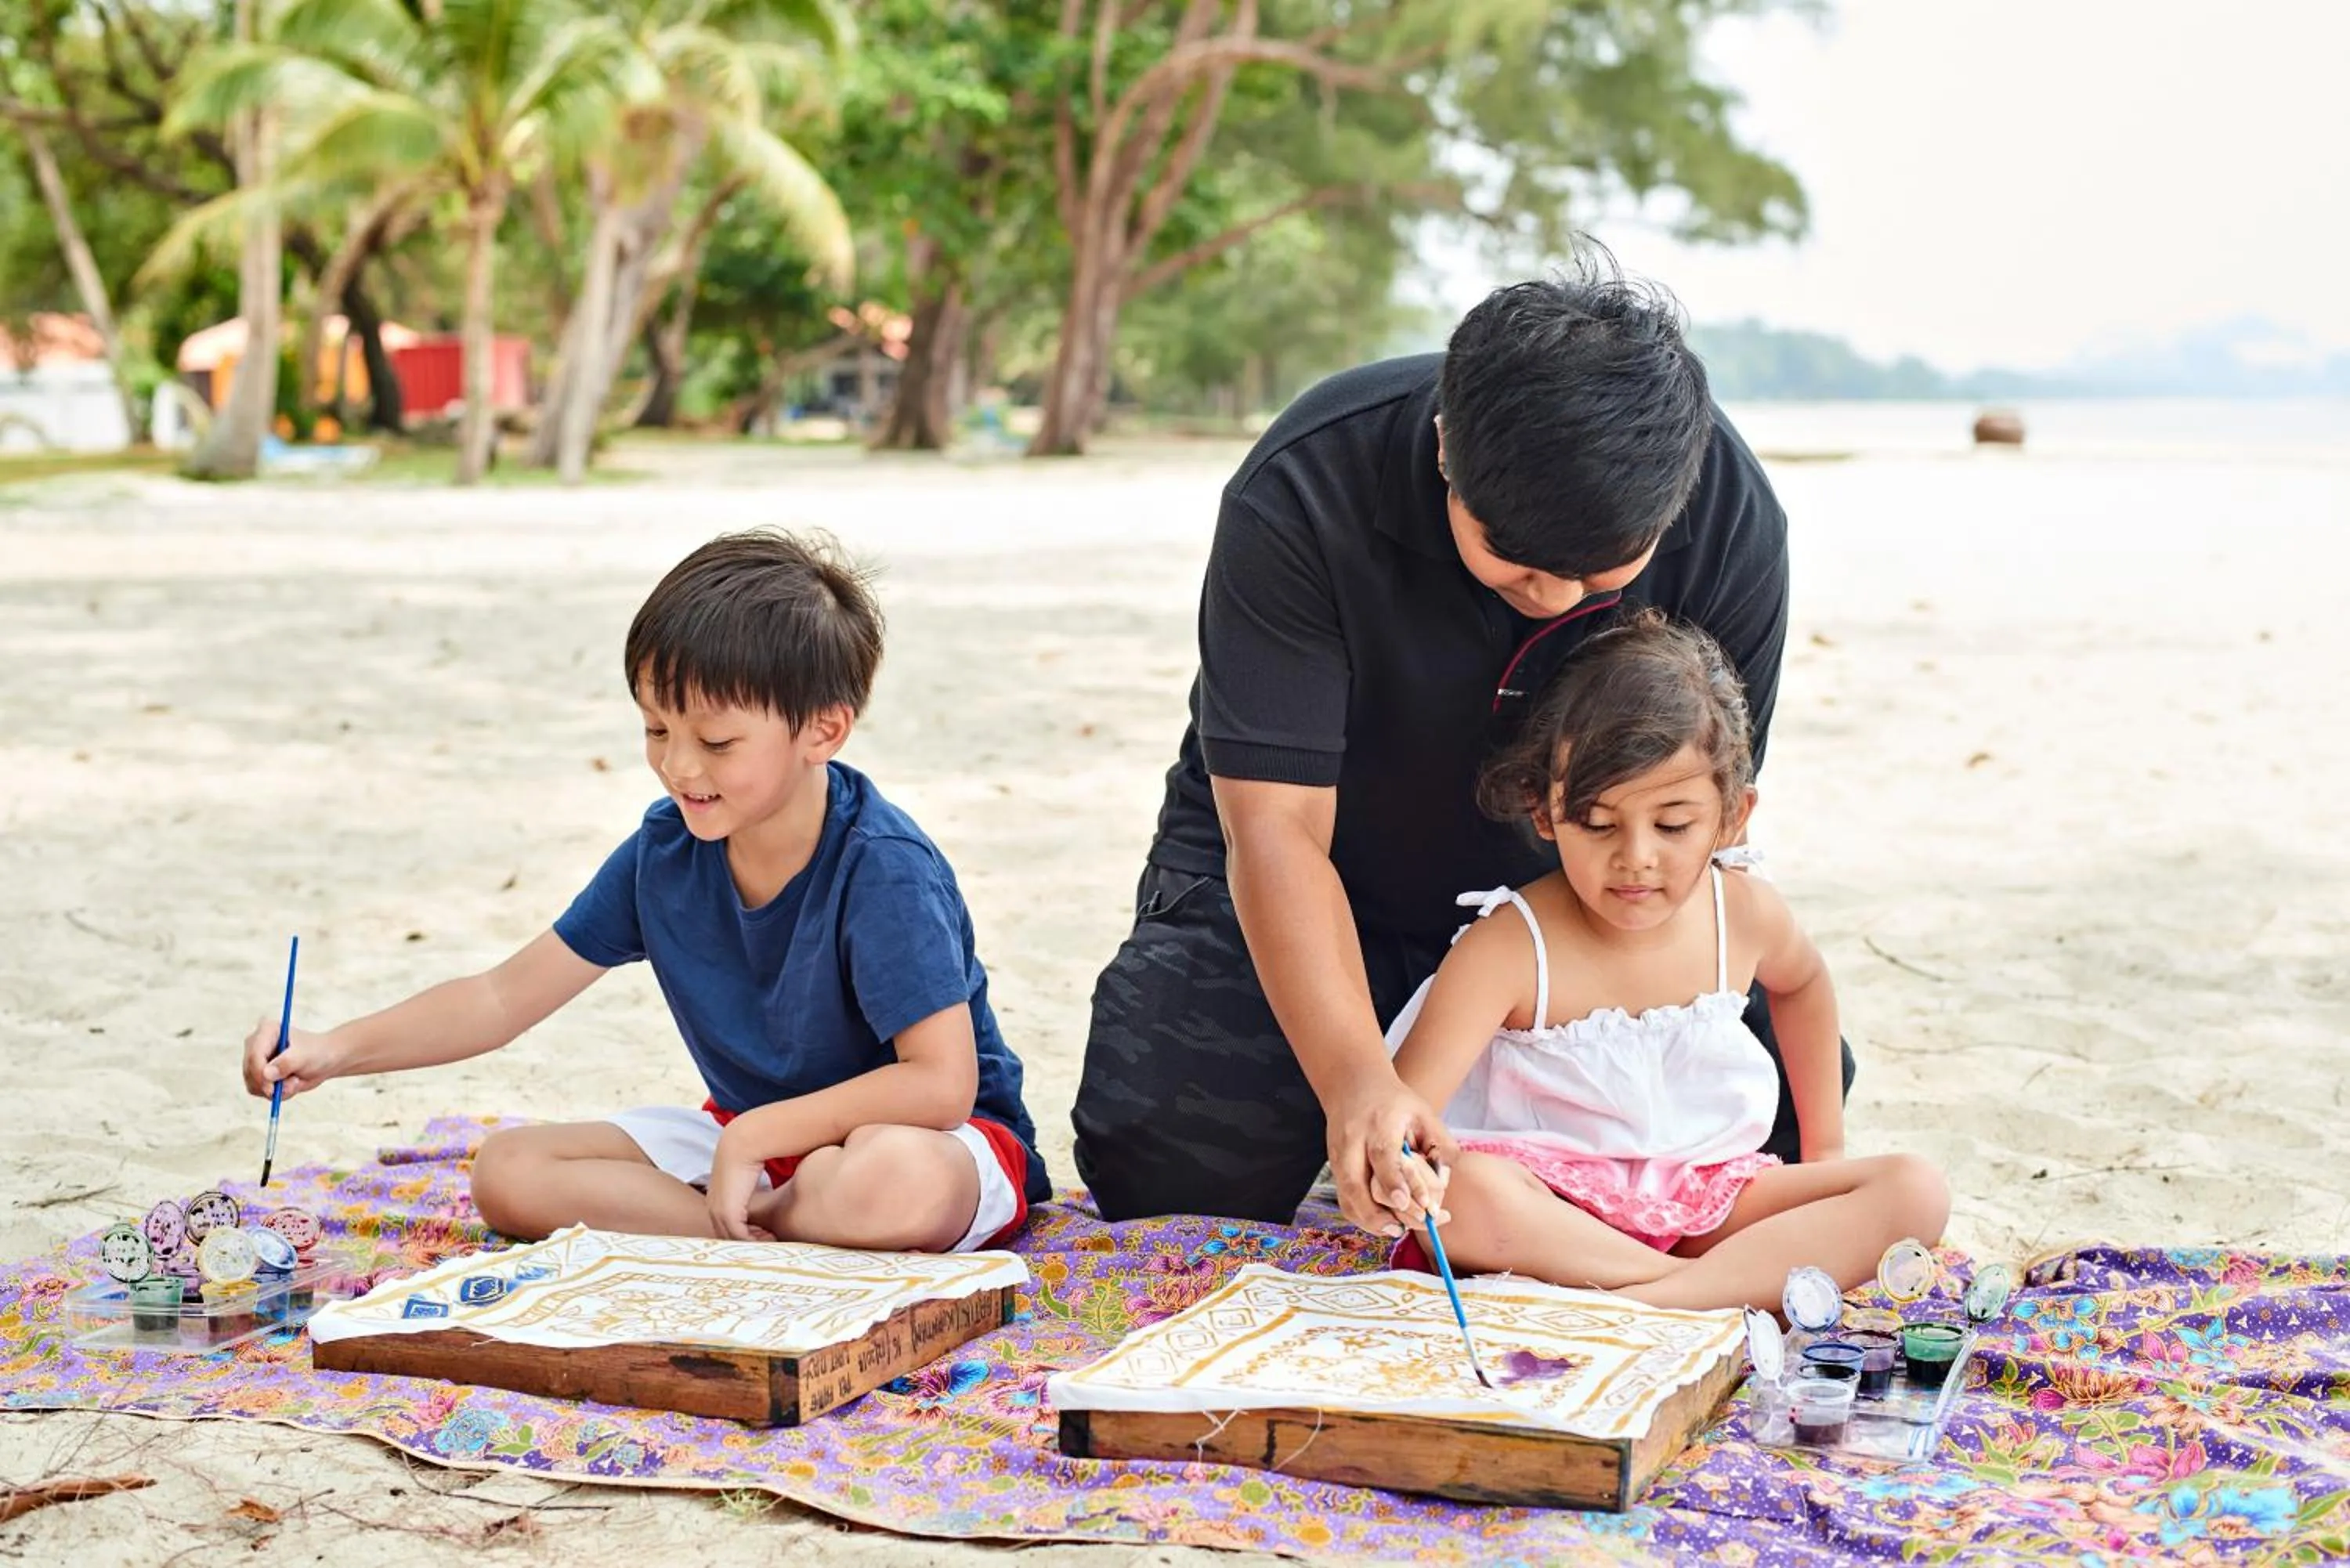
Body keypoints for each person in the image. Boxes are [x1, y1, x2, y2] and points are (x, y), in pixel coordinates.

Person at [1072, 265, 1854, 1236]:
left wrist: (1523, 965)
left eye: (1597, 573)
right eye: (1517, 561)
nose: (1557, 599)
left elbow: (1694, 815)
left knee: (1753, 1136)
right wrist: (1359, 1081)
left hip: (1575, 896)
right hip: (1316, 881)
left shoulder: (1732, 518)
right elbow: (1273, 828)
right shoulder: (1307, 486)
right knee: (1168, 1156)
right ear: (1446, 449)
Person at [240, 530, 1050, 1253]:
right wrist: (329, 1049)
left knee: (893, 1180)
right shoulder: (664, 853)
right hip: (749, 1144)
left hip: (927, 1140)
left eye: (717, 741)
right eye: (657, 730)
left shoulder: (882, 865)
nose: (679, 767)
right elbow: (498, 997)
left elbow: (942, 1085)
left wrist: (754, 1138)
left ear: (823, 731)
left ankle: (752, 1221)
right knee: (510, 1171)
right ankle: (761, 1231)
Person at [1386, 612, 1947, 1309]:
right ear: (1543, 810)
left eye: (1674, 825)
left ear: (1732, 817)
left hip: (1710, 1197)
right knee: (1466, 1193)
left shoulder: (1741, 912)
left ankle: (1661, 1300)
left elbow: (1803, 985)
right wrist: (1411, 1164)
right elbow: (1406, 1119)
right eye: (1597, 824)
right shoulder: (1508, 946)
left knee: (1913, 1189)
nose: (1636, 857)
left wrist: (1825, 1152)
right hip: (1556, 1215)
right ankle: (1691, 1297)